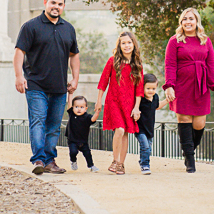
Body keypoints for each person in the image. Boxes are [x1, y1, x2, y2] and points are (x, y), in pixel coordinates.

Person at [13, 0, 80, 175]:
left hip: (59, 87)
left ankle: (50, 161)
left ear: (63, 7)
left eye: (60, 4)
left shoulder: (68, 28)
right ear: (45, 3)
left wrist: (75, 78)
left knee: (53, 126)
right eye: (53, 3)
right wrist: (19, 76)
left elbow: (74, 56)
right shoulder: (31, 26)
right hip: (35, 85)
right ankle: (38, 160)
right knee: (38, 122)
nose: (56, 7)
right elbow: (19, 52)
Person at [163, 8, 214, 174]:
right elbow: (170, 65)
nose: (188, 22)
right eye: (184, 19)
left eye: (191, 19)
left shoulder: (205, 40)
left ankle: (188, 150)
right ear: (181, 22)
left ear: (197, 21)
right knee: (184, 119)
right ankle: (190, 159)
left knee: (199, 123)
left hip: (201, 86)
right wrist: (169, 85)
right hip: (181, 86)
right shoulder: (174, 41)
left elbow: (212, 64)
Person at [92, 30, 144, 175]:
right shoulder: (112, 61)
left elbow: (139, 89)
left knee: (125, 133)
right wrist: (98, 102)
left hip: (129, 104)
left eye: (129, 42)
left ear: (133, 44)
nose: (126, 45)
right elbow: (103, 82)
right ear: (119, 45)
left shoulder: (137, 64)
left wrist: (136, 107)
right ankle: (115, 160)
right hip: (113, 101)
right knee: (119, 130)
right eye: (123, 43)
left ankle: (121, 164)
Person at [136, 74, 169, 175]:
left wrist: (167, 100)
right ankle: (145, 165)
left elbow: (157, 106)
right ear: (143, 87)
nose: (151, 91)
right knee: (145, 146)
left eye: (153, 88)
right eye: (148, 88)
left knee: (148, 149)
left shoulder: (155, 97)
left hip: (150, 128)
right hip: (140, 128)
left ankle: (142, 160)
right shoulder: (140, 99)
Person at [65, 95, 98, 172]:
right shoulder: (72, 114)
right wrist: (70, 94)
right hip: (72, 140)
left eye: (81, 107)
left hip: (83, 141)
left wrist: (97, 112)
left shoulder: (87, 117)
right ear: (73, 107)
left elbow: (93, 119)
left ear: (86, 109)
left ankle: (91, 166)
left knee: (87, 154)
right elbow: (69, 104)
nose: (79, 109)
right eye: (76, 107)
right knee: (73, 152)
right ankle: (73, 161)